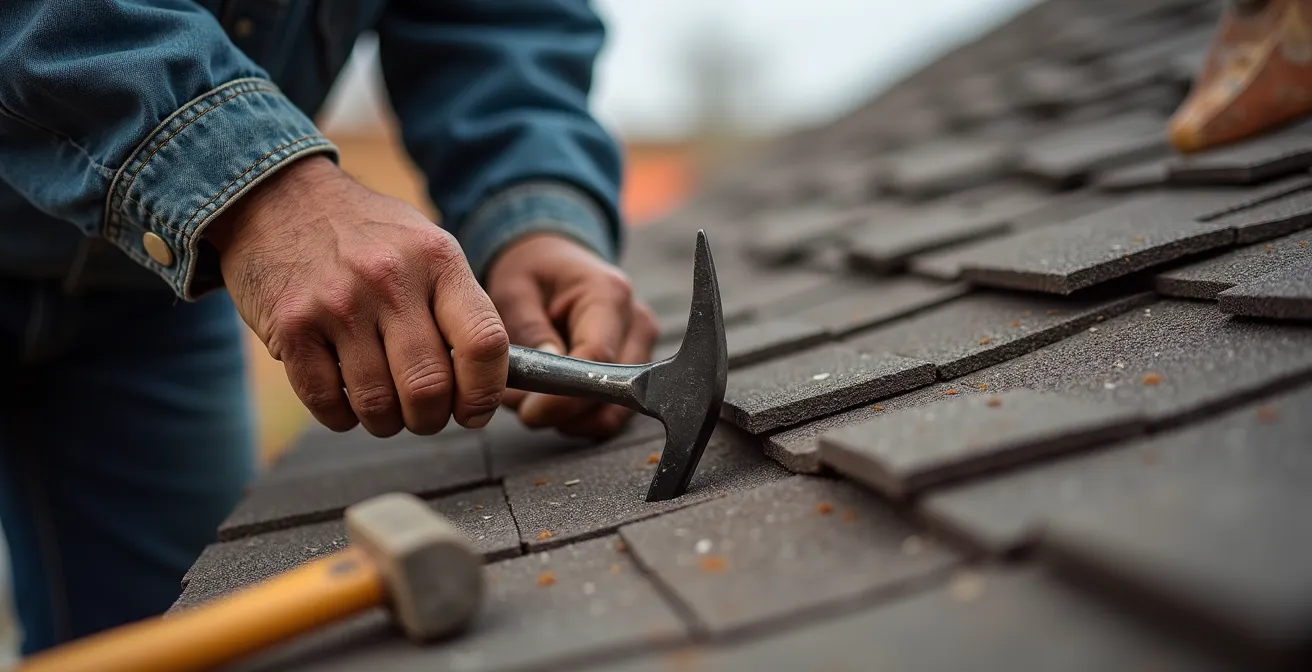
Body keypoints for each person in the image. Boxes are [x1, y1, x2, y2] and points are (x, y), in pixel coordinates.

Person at [0, 0, 656, 655]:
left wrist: (529, 210)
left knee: (177, 636)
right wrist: (260, 186)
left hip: (150, 297)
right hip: (189, 225)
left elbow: (495, 19)